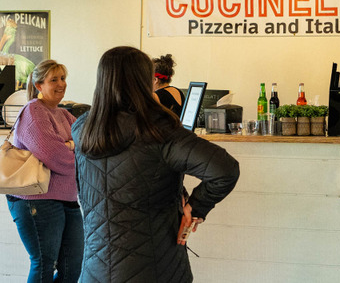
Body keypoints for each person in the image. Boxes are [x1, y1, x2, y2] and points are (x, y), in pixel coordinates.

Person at [72, 46, 239, 282]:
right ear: (145, 81)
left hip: (95, 269)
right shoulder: (159, 131)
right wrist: (196, 207)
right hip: (156, 266)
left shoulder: (83, 128)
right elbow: (225, 170)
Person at [6, 60, 82, 283]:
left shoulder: (63, 114)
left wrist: (71, 146)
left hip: (66, 197)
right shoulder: (33, 111)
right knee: (44, 264)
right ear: (39, 85)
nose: (61, 84)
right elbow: (56, 156)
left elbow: (87, 144)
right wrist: (72, 147)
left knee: (73, 267)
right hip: (36, 199)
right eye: (54, 80)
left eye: (63, 78)